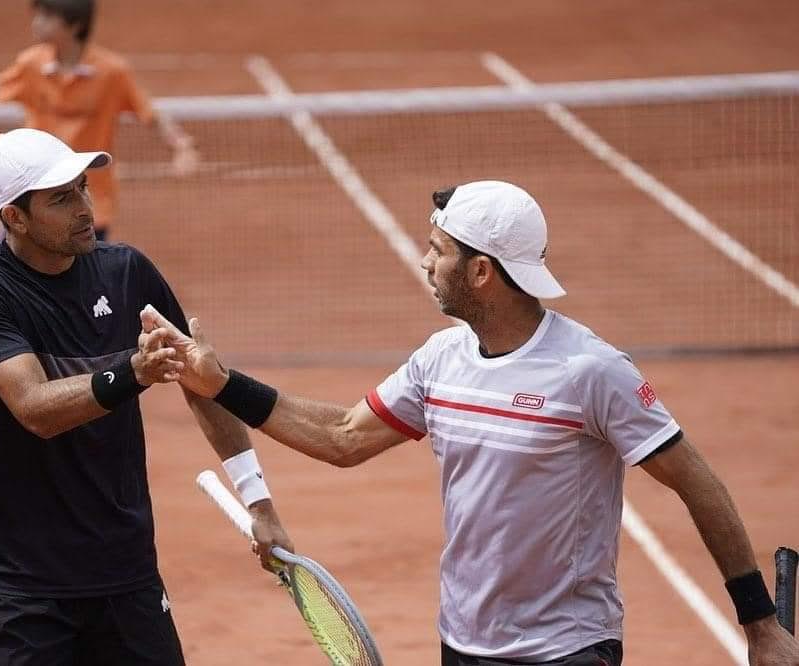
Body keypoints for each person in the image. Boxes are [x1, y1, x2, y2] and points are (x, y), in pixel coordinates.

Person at [141, 181, 799, 665]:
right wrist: (222, 384)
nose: (424, 262)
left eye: (438, 250)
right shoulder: (440, 360)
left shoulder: (588, 372)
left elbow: (697, 482)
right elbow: (342, 437)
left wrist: (759, 623)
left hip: (565, 649)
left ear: (481, 272)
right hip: (463, 643)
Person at [0, 127, 290, 665]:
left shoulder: (126, 272)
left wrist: (259, 503)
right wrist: (133, 372)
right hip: (21, 588)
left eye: (82, 187)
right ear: (14, 217)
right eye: (61, 198)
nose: (84, 207)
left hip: (126, 573)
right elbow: (34, 407)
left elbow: (204, 386)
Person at [0, 0, 197, 411]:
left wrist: (181, 144)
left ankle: (68, 384)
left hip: (91, 212)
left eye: (46, 15)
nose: (36, 22)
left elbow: (149, 112)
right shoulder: (33, 64)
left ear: (71, 24)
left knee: (81, 304)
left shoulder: (111, 73)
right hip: (34, 211)